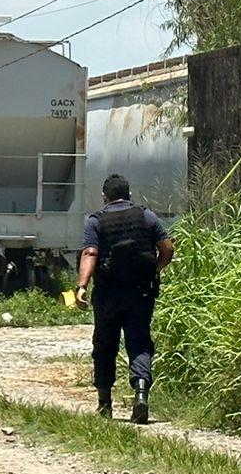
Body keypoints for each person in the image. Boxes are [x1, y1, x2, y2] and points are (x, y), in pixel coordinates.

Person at [75, 173, 175, 424]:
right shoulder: (146, 216)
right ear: (129, 195)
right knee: (139, 343)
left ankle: (104, 404)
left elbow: (90, 253)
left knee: (104, 345)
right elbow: (168, 248)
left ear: (104, 197)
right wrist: (156, 269)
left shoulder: (96, 221)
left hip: (108, 294)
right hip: (140, 292)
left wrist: (82, 286)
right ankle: (141, 394)